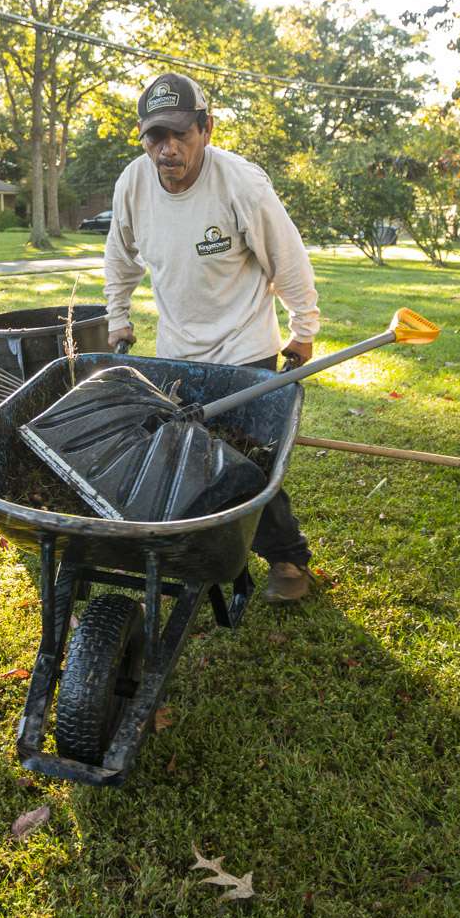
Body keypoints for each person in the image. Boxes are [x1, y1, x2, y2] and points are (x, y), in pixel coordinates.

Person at [103, 72, 321, 603]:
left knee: (248, 462)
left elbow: (287, 259)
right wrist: (118, 317)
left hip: (244, 348)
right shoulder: (134, 183)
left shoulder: (240, 184)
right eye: (156, 137)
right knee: (188, 455)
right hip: (178, 352)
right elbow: (119, 256)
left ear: (206, 128)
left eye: (180, 134)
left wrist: (304, 330)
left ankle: (288, 559)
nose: (168, 150)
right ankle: (205, 552)